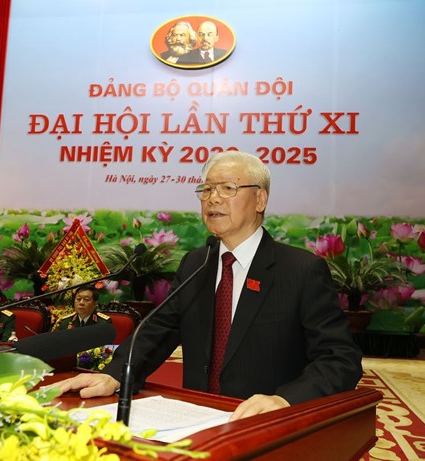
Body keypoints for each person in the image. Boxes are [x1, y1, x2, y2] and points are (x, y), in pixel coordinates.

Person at [55, 150, 363, 421]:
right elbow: (158, 330)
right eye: (206, 189)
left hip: (265, 428)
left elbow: (340, 359)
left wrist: (286, 399)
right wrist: (115, 374)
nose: (213, 198)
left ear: (260, 199)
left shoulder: (301, 270)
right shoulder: (196, 263)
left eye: (228, 188)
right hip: (196, 420)